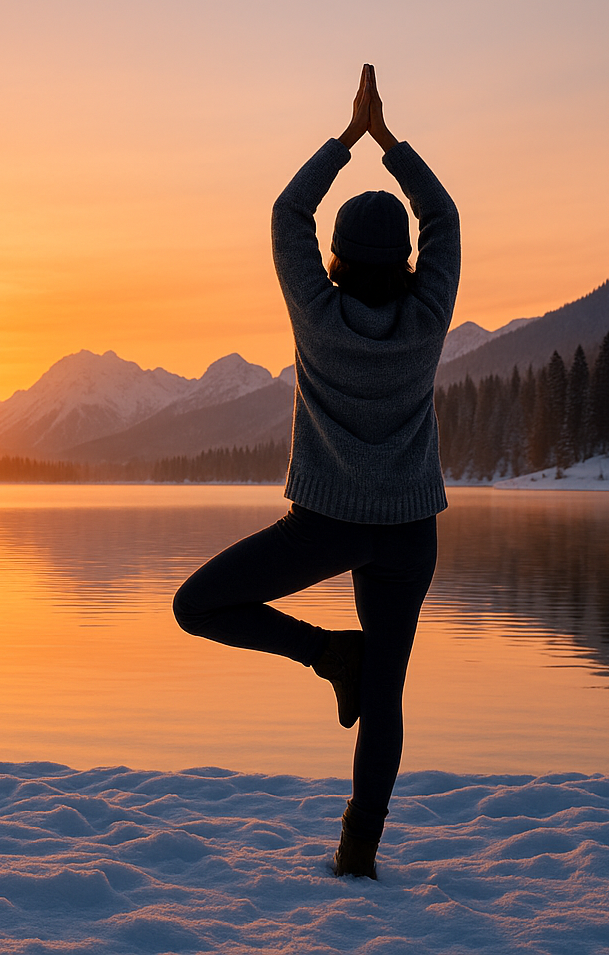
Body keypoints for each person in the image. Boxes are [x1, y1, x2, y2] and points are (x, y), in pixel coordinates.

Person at [172, 64, 459, 880]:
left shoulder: (319, 313)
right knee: (389, 696)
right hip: (409, 532)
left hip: (324, 524)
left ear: (333, 260)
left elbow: (285, 213)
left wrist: (346, 138)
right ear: (406, 261)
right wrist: (389, 143)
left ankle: (326, 654)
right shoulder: (427, 316)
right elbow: (443, 215)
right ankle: (357, 854)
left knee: (197, 605)